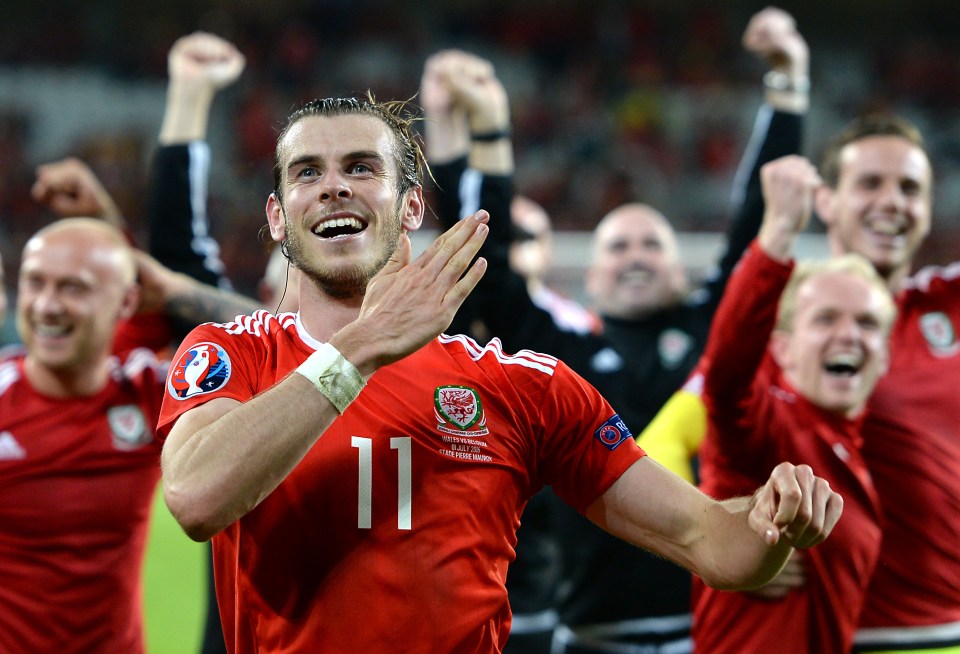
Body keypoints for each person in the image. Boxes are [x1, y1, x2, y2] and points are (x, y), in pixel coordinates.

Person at [156, 93, 842, 654]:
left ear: (411, 208)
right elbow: (195, 497)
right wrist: (363, 347)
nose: (333, 185)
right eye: (306, 173)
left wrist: (774, 524)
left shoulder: (526, 386)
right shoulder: (228, 354)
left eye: (363, 168)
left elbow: (711, 542)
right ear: (278, 218)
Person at [420, 7, 811, 652]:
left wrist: (787, 87)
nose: (634, 255)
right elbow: (483, 267)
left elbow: (757, 224)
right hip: (589, 636)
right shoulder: (558, 348)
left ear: (680, 268)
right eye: (618, 246)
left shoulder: (706, 328)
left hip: (706, 631)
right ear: (589, 277)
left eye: (651, 245)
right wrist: (487, 132)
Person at [692, 155, 894, 653]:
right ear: (781, 349)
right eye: (825, 319)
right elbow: (726, 377)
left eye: (867, 324)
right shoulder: (765, 429)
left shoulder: (855, 449)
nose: (849, 335)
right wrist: (779, 232)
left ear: (885, 357)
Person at [808, 114, 960, 654]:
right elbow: (672, 441)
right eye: (870, 183)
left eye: (910, 188)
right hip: (818, 637)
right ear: (825, 201)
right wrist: (732, 537)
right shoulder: (776, 324)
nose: (892, 201)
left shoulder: (950, 304)